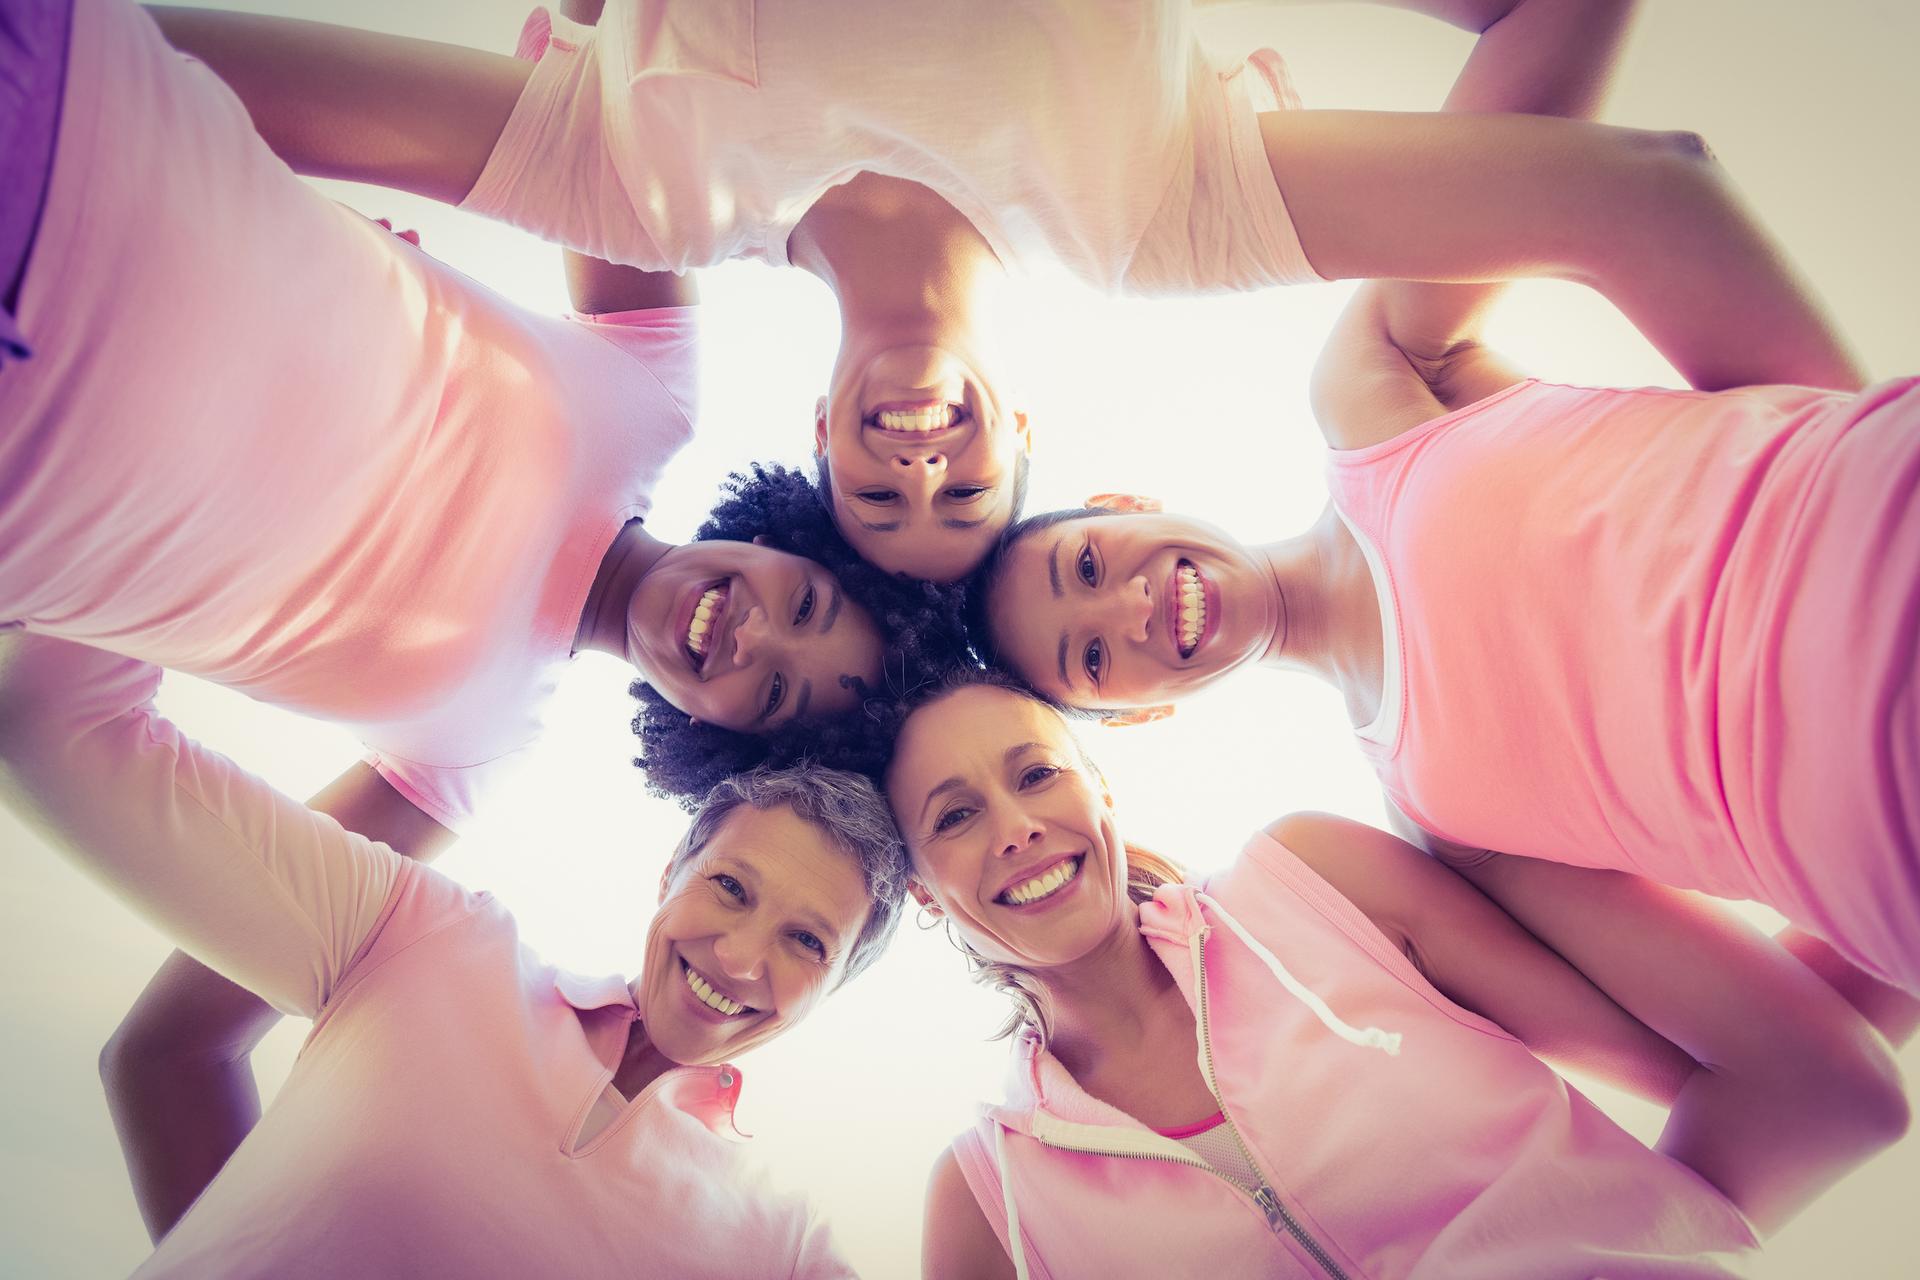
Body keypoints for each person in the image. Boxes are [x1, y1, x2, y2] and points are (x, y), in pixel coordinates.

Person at [0, 0, 917, 1236]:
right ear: (777, 532)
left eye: (776, 692)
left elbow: (181, 1036)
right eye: (802, 600)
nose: (756, 636)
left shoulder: (465, 759)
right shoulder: (652, 393)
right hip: (79, 127)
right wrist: (181, 90)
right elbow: (610, 100)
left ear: (726, 746)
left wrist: (92, 548)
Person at [149, 0, 1844, 585]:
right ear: (1022, 422)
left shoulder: (636, 185)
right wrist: (1859, 540)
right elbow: (1643, 192)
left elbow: (170, 67)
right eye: (966, 489)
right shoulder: (1162, 223)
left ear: (815, 428)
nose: (919, 457)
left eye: (875, 491)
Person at [964, 0, 1920, 1001]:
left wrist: (1840, 467)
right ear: (1140, 713)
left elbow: (1634, 154)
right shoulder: (1442, 830)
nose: (1130, 605)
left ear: (1124, 500)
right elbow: (1786, 1027)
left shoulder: (1376, 385)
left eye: (1086, 565)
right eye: (1094, 655)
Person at [884, 673, 1908, 1279]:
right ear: (925, 891)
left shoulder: (1311, 883)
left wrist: (1631, 1240)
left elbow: (1706, 1066)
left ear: (1100, 788)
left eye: (1035, 772)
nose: (1016, 825)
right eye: (954, 815)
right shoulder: (987, 1203)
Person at [0, 630, 909, 1278]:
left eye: (805, 941)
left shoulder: (779, 1254)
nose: (742, 955)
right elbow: (48, 725)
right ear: (673, 868)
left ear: (835, 984)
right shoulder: (425, 939)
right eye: (730, 888)